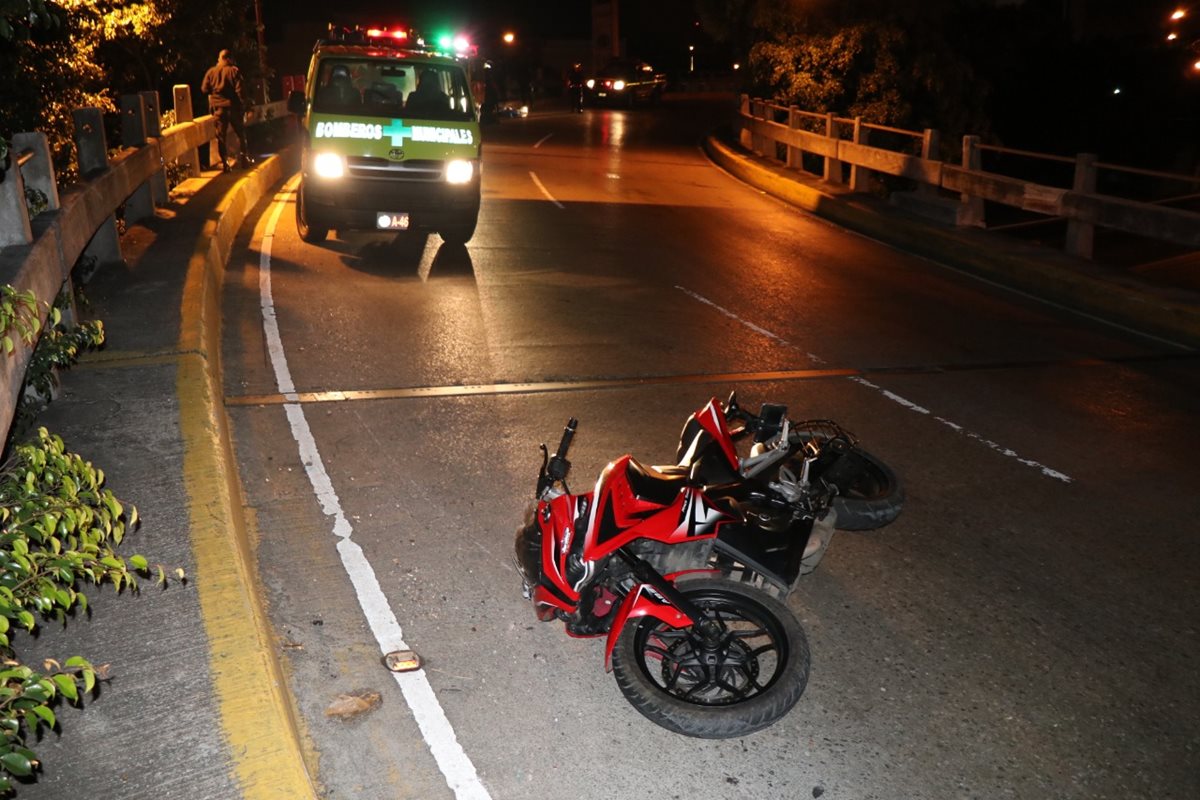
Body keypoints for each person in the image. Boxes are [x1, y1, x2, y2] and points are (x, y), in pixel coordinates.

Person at [201, 49, 248, 171]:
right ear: (228, 59)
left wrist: (215, 92)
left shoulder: (211, 72)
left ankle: (225, 164)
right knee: (241, 134)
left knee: (221, 137)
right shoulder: (234, 71)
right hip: (233, 108)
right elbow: (240, 91)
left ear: (220, 58)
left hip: (218, 109)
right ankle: (245, 159)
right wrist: (244, 106)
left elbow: (204, 89)